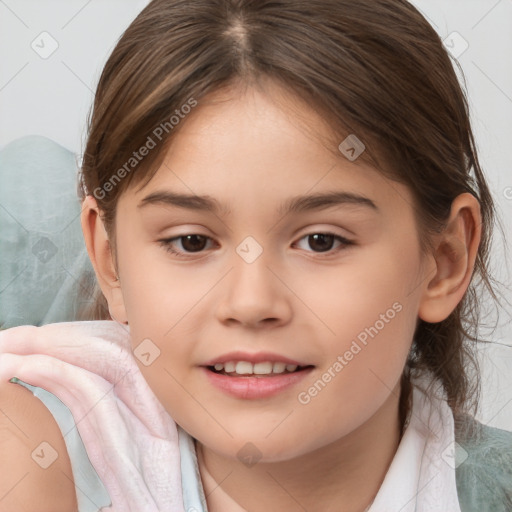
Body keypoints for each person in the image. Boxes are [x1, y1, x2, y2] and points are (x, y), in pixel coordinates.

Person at [0, 0, 511, 511]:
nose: (250, 303)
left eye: (321, 241)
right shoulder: (30, 455)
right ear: (110, 262)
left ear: (444, 261)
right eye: (191, 241)